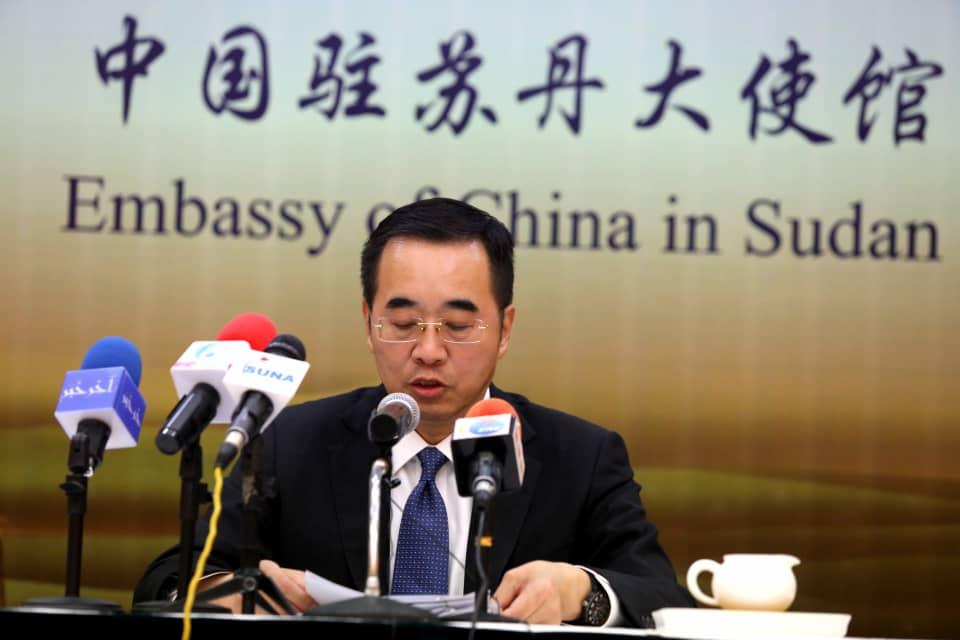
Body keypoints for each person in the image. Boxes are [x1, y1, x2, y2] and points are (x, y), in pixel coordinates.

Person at [133, 197, 694, 626]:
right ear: (368, 322)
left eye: (458, 325)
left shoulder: (581, 456)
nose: (428, 350)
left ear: (505, 329)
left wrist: (582, 592)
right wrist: (229, 591)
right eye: (402, 324)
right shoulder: (291, 442)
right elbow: (166, 578)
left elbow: (660, 596)